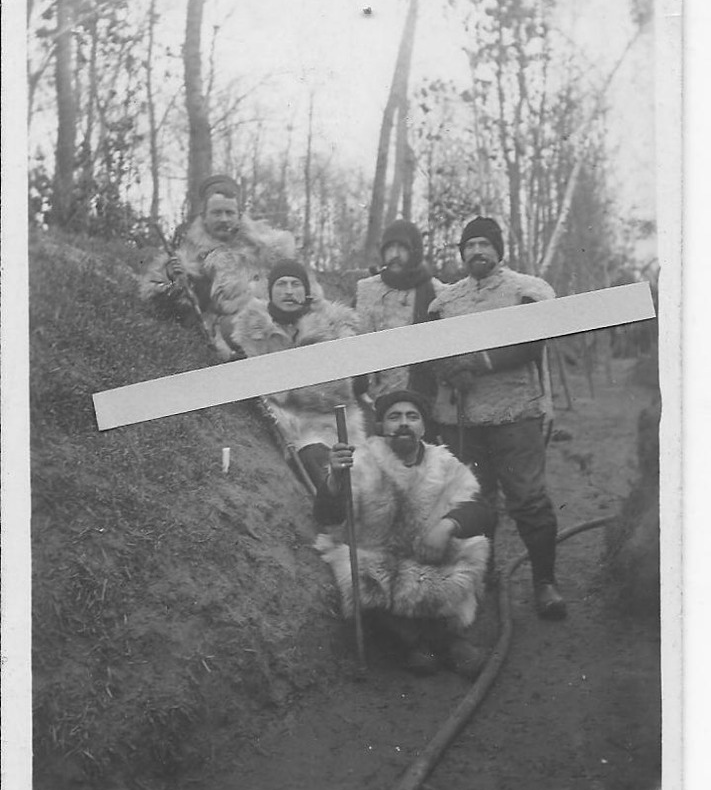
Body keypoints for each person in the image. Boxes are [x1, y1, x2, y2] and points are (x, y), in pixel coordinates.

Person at [427, 216, 566, 620]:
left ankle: (545, 582)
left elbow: (529, 344)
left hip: (514, 414)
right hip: (462, 418)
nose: (477, 252)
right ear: (461, 254)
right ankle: (480, 574)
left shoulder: (526, 290)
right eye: (469, 245)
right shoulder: (446, 301)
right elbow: (427, 348)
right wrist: (448, 367)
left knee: (528, 499)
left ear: (500, 250)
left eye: (485, 244)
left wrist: (480, 360)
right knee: (473, 498)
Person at [314, 389, 494, 675]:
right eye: (394, 417)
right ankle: (428, 643)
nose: (403, 423)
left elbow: (480, 510)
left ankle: (434, 641)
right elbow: (327, 517)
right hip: (379, 559)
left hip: (430, 557)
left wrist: (447, 526)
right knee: (357, 574)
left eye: (412, 416)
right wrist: (335, 478)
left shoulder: (444, 463)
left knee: (473, 547)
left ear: (423, 426)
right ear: (381, 426)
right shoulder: (361, 461)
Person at [227, 259, 366, 487]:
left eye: (295, 284)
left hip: (334, 420)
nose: (289, 291)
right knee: (318, 460)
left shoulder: (331, 329)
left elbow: (359, 383)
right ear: (270, 292)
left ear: (307, 291)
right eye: (282, 284)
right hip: (292, 426)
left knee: (361, 471)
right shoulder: (252, 332)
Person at [140, 174, 295, 360]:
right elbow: (156, 295)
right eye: (216, 213)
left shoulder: (264, 247)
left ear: (239, 216)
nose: (224, 219)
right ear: (204, 217)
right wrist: (174, 278)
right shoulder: (189, 253)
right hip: (228, 329)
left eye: (229, 213)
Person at [355, 219, 441, 400]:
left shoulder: (438, 293)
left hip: (422, 400)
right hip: (375, 398)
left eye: (402, 248)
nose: (394, 255)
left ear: (415, 251)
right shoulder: (365, 291)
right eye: (389, 248)